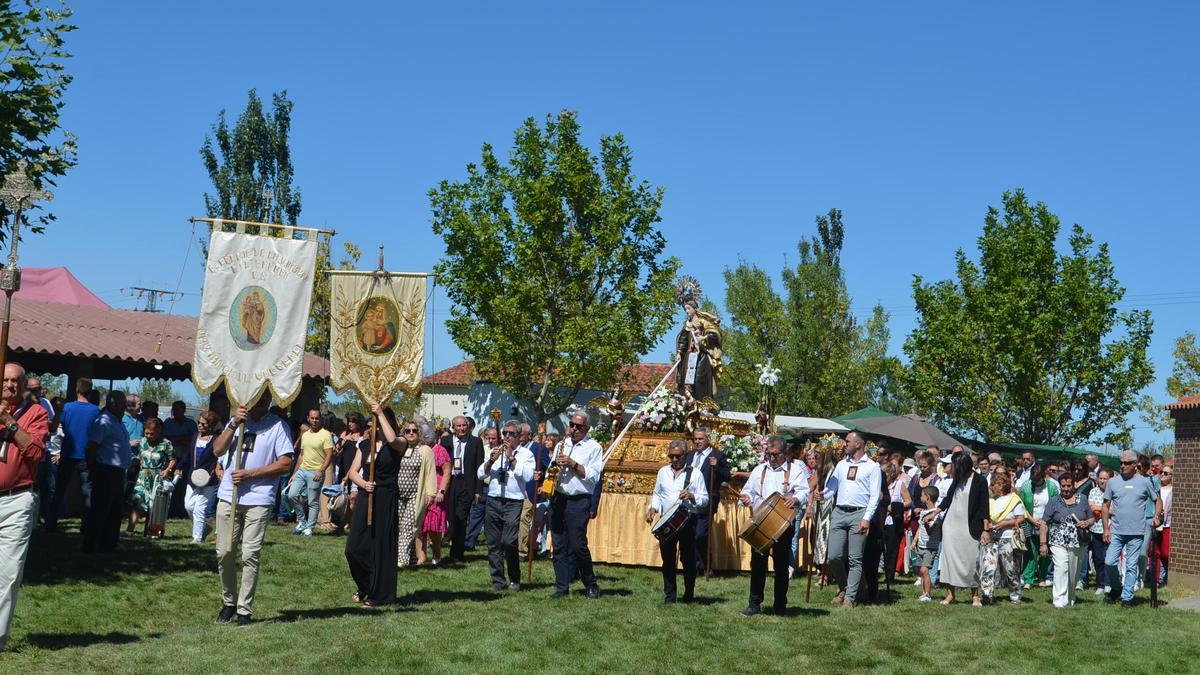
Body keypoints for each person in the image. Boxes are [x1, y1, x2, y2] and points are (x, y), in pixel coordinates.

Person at [211, 394, 294, 625]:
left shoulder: (278, 426)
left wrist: (251, 474)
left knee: (250, 554)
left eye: (264, 396)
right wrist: (234, 423)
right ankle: (228, 601)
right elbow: (217, 450)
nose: (260, 400)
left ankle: (244, 609)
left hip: (259, 498)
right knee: (224, 552)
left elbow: (286, 463)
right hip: (229, 496)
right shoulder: (235, 422)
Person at [0, 363, 49, 650]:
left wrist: (8, 420)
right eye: (5, 380)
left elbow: (36, 451)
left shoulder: (36, 413)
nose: (9, 385)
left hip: (17, 500)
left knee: (8, 573)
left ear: (23, 385)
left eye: (15, 381)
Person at [344, 404, 410, 606]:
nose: (372, 428)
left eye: (377, 424)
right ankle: (366, 585)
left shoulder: (399, 444)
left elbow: (391, 439)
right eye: (370, 424)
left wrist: (380, 412)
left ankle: (381, 594)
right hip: (367, 495)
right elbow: (353, 471)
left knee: (381, 546)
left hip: (385, 497)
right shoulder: (364, 445)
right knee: (353, 548)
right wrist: (364, 484)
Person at [738, 436, 811, 616]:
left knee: (781, 566)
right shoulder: (759, 470)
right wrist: (746, 497)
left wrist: (795, 498)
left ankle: (780, 605)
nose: (771, 458)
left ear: (784, 453)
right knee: (757, 565)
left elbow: (803, 492)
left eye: (775, 455)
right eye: (768, 454)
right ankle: (754, 604)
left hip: (783, 525)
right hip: (761, 525)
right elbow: (748, 491)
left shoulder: (795, 471)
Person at [822, 431, 882, 608]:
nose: (844, 444)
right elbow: (832, 489)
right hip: (839, 512)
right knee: (834, 556)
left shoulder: (872, 467)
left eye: (848, 441)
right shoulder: (841, 464)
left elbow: (874, 496)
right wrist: (822, 494)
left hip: (859, 514)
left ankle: (850, 597)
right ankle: (845, 587)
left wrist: (866, 518)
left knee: (855, 558)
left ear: (859, 444)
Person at [549, 411, 605, 600]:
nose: (573, 429)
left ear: (587, 429)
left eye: (578, 427)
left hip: (578, 500)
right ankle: (561, 586)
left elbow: (593, 476)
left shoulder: (593, 447)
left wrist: (573, 463)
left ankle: (590, 583)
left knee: (578, 545)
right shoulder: (561, 445)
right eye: (572, 424)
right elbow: (552, 468)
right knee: (558, 545)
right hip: (558, 497)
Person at [646, 439, 708, 604]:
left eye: (677, 456)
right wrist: (653, 507)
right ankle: (670, 596)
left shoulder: (695, 474)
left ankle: (689, 594)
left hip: (687, 520)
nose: (674, 460)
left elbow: (705, 499)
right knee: (667, 559)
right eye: (671, 456)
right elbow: (657, 494)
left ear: (686, 455)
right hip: (667, 521)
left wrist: (692, 496)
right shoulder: (663, 472)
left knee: (687, 560)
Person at [479, 421, 534, 591]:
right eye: (505, 434)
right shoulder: (495, 452)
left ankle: (514, 578)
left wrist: (511, 457)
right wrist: (490, 461)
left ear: (519, 437)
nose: (507, 437)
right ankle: (498, 581)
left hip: (513, 501)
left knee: (509, 541)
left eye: (511, 434)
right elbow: (480, 473)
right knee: (493, 543)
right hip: (494, 500)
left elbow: (527, 476)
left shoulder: (526, 454)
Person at [1102, 451, 1163, 607]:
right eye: (1121, 463)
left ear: (1136, 465)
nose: (1123, 466)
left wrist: (1156, 515)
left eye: (1127, 463)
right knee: (1109, 562)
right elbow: (1105, 506)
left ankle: (1127, 597)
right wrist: (1106, 529)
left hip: (1137, 532)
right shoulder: (1113, 482)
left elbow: (1157, 501)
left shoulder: (1145, 482)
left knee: (1131, 565)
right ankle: (1116, 588)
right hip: (1116, 530)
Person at [936, 451, 990, 606]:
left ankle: (975, 595)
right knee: (949, 560)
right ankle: (950, 594)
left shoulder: (979, 481)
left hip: (970, 526)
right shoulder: (957, 479)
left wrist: (986, 529)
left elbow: (984, 506)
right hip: (951, 525)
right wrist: (935, 512)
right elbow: (947, 499)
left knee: (972, 560)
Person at [46, 378, 99, 533]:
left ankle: (51, 523)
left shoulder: (67, 407)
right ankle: (87, 525)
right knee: (87, 491)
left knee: (59, 490)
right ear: (89, 392)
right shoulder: (95, 411)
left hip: (68, 453)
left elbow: (56, 426)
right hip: (85, 455)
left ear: (77, 390)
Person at [1039, 472, 1094, 608]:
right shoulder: (1053, 501)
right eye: (1063, 486)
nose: (1066, 489)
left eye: (1068, 486)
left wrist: (1086, 523)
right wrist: (1043, 544)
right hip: (1058, 540)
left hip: (1078, 541)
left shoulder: (1083, 499)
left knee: (1073, 571)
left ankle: (1070, 597)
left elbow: (1092, 518)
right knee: (1061, 567)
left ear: (1074, 485)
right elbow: (1044, 523)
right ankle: (1059, 600)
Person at [686, 425, 730, 575]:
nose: (697, 442)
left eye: (700, 439)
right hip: (689, 499)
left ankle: (706, 565)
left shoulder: (717, 455)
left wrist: (716, 466)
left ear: (707, 439)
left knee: (700, 534)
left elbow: (726, 477)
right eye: (695, 439)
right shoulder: (690, 455)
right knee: (690, 534)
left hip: (708, 499)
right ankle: (695, 566)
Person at [441, 415, 484, 563]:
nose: (462, 428)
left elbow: (480, 467)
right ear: (453, 428)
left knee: (461, 517)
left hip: (467, 483)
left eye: (464, 425)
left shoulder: (476, 442)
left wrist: (478, 490)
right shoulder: (446, 441)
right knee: (452, 517)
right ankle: (453, 546)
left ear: (468, 426)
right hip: (450, 482)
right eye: (458, 426)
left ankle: (457, 553)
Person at [286, 409, 334, 537]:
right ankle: (302, 521)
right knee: (291, 495)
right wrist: (294, 473)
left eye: (317, 418)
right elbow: (301, 456)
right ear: (308, 418)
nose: (314, 421)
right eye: (312, 418)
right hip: (302, 470)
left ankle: (310, 527)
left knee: (313, 501)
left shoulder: (326, 435)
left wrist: (321, 470)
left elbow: (329, 455)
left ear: (320, 419)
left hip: (316, 471)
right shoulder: (305, 434)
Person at [978, 471, 1024, 604]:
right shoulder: (991, 500)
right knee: (988, 567)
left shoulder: (1014, 499)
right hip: (991, 538)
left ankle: (1015, 596)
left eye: (994, 484)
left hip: (1008, 538)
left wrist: (1004, 524)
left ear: (1002, 484)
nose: (992, 487)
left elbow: (1020, 518)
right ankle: (987, 596)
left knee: (1011, 568)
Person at [126, 417, 176, 536]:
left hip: (158, 478)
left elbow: (173, 459)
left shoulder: (166, 443)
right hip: (143, 477)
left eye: (151, 433)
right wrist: (136, 463)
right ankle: (130, 530)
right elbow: (141, 456)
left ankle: (151, 530)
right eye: (146, 433)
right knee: (137, 501)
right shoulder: (142, 442)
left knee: (155, 505)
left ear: (158, 431)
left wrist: (168, 470)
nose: (148, 436)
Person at [177, 411, 221, 544]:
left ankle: (197, 537)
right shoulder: (195, 436)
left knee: (199, 508)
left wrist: (216, 469)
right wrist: (179, 467)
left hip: (209, 479)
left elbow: (219, 457)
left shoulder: (216, 439)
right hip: (193, 478)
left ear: (211, 426)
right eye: (198, 422)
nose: (199, 425)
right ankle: (204, 528)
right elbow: (188, 455)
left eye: (203, 423)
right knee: (188, 506)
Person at [1018, 463, 1058, 588]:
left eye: (1038, 480)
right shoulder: (1026, 486)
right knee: (1031, 551)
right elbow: (1022, 506)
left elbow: (1054, 505)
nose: (1035, 482)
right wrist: (1031, 519)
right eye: (1033, 480)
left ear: (1043, 477)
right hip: (1030, 523)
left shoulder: (1051, 487)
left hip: (1046, 523)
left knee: (1044, 552)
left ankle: (1042, 577)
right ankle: (1028, 579)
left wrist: (1044, 520)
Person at [417, 423, 450, 566]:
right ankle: (421, 556)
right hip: (420, 491)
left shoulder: (440, 450)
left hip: (436, 491)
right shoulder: (418, 450)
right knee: (419, 525)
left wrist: (441, 491)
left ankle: (437, 553)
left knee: (433, 526)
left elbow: (447, 472)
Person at [914, 486, 943, 602]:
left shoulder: (935, 514)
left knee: (925, 570)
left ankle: (928, 594)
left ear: (928, 498)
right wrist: (914, 541)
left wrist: (927, 524)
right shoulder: (923, 512)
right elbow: (920, 528)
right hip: (921, 545)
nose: (920, 497)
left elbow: (931, 531)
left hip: (930, 546)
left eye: (922, 495)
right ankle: (923, 593)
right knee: (921, 571)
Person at [1086, 468, 1111, 594]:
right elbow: (1090, 507)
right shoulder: (1093, 491)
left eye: (1105, 478)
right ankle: (1100, 584)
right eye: (1100, 478)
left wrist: (1100, 509)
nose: (1102, 481)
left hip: (1109, 529)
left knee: (1108, 558)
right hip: (1095, 529)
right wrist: (1105, 509)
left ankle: (1108, 583)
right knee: (1098, 558)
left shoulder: (1113, 492)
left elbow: (1113, 510)